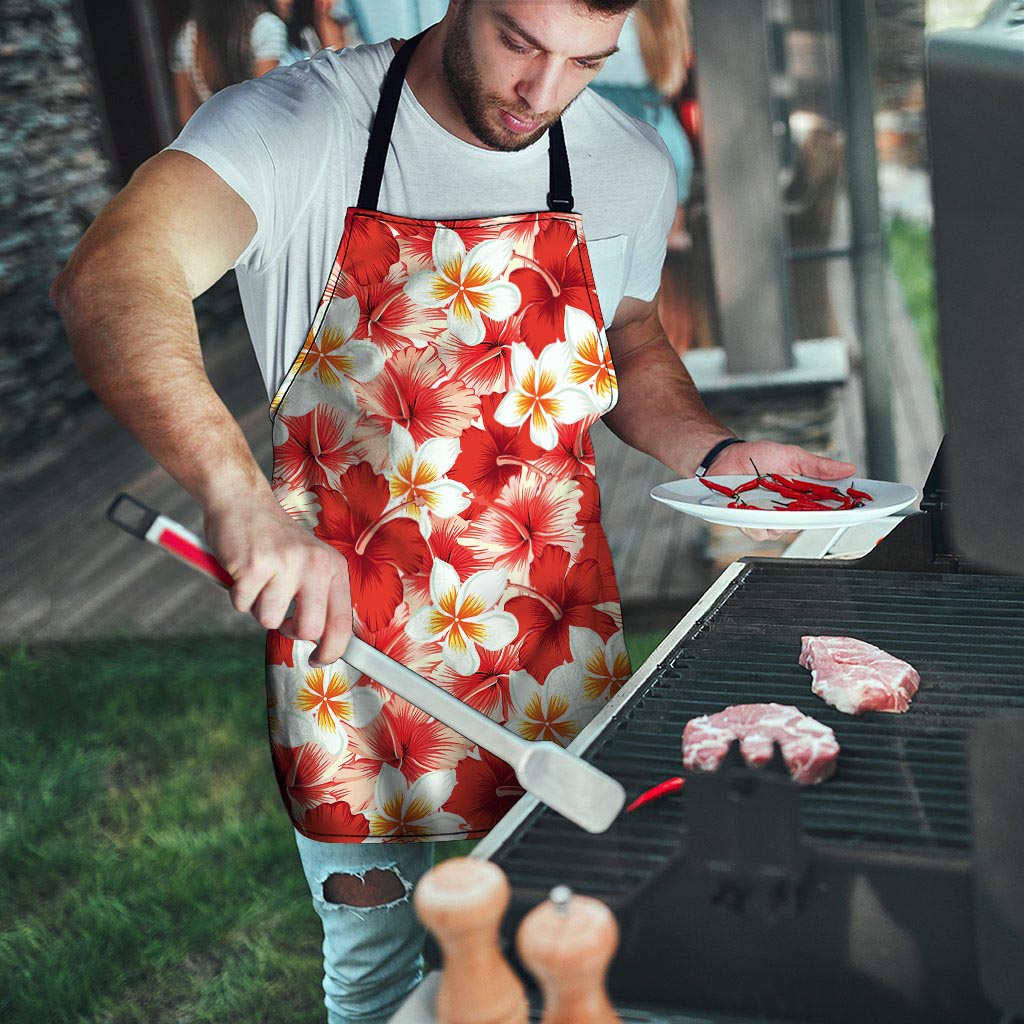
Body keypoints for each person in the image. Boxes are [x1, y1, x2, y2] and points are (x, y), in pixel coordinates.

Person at [53, 2, 856, 1020]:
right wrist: (238, 499)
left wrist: (717, 448)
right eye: (520, 42)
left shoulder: (625, 162)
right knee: (381, 978)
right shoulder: (299, 125)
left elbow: (632, 334)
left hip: (556, 646)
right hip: (354, 663)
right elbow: (112, 275)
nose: (543, 92)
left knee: (580, 951)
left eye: (585, 62)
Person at [170, 0, 288, 126]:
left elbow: (187, 117)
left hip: (215, 138)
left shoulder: (187, 36)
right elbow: (265, 105)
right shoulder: (265, 27)